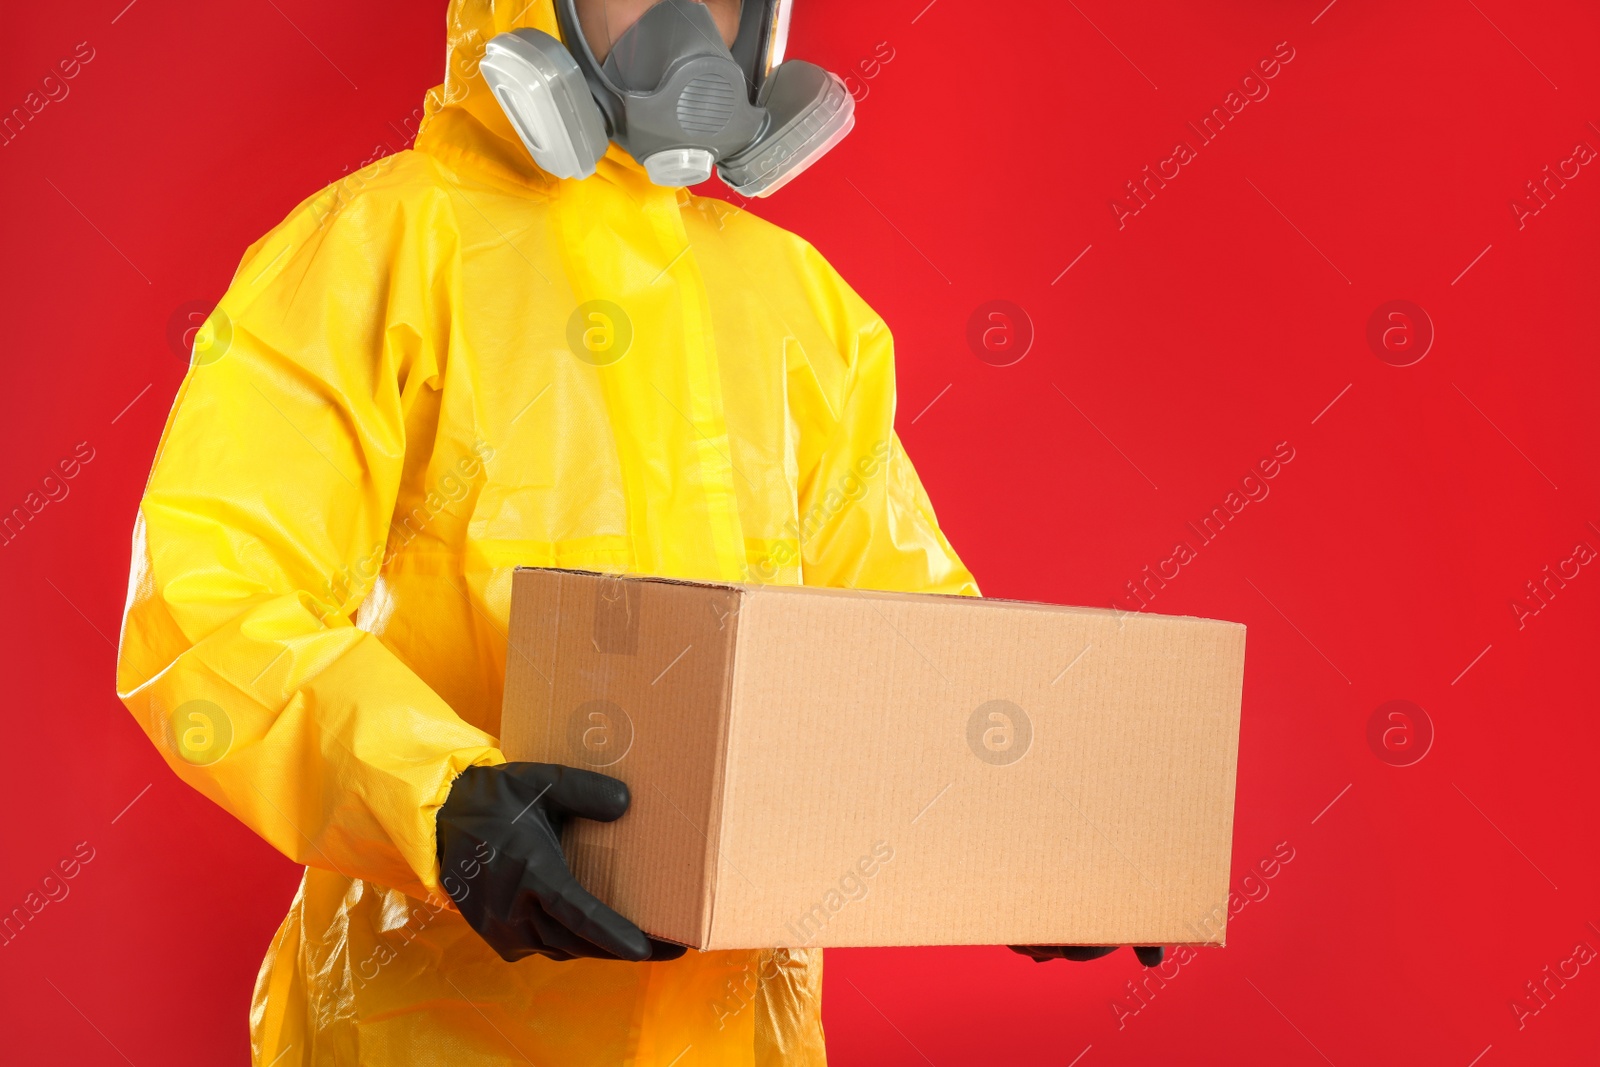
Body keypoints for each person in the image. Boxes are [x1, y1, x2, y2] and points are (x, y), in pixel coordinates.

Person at [116, 3, 1150, 1064]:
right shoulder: (377, 251)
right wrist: (437, 798)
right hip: (425, 1030)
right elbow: (209, 596)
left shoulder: (796, 306)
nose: (686, 18)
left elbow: (905, 649)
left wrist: (1019, 823)